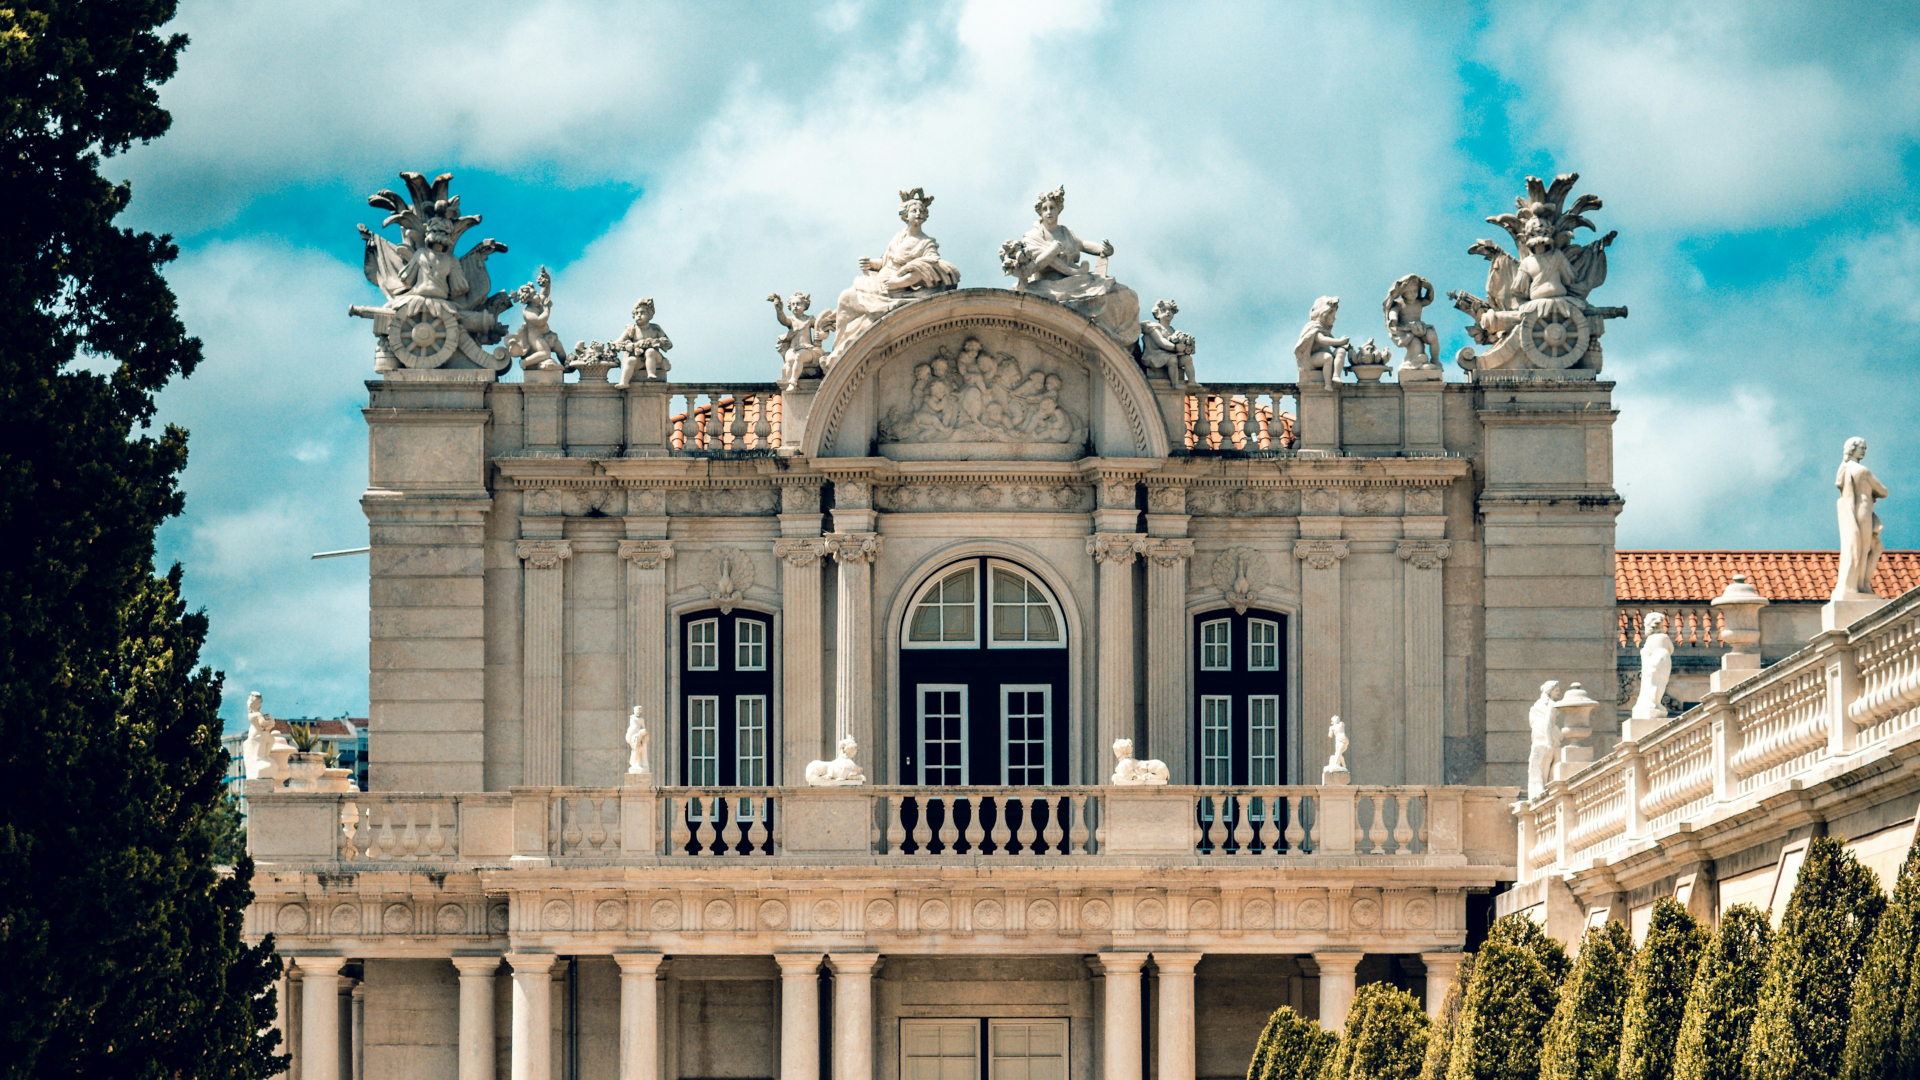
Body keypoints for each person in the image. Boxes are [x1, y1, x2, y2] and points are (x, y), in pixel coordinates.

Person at [829, 188, 960, 355]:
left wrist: (898, 283)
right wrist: (870, 263)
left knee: (847, 299)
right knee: (845, 298)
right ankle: (839, 350)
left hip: (896, 288)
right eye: (914, 210)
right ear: (906, 215)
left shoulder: (926, 243)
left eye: (921, 211)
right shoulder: (899, 236)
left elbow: (927, 268)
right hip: (881, 282)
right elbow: (885, 262)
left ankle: (841, 353)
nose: (918, 213)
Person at [1001, 186, 1140, 342]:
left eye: (1052, 208)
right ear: (1040, 212)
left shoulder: (1066, 232)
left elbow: (1083, 244)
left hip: (1077, 280)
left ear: (1059, 209)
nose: (1049, 212)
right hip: (1048, 285)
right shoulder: (1032, 237)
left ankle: (1119, 338)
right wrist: (1053, 250)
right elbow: (1034, 266)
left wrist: (1105, 249)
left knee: (1123, 293)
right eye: (1045, 209)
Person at [1834, 436, 1890, 600]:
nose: (1864, 451)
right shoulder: (1862, 471)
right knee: (1865, 548)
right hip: (1864, 510)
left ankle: (1860, 584)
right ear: (1853, 449)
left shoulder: (1843, 469)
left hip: (1851, 511)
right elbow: (1883, 491)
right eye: (1862, 448)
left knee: (1861, 547)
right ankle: (1862, 586)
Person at [613, 298, 672, 388]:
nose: (639, 316)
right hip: (639, 358)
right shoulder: (631, 329)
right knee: (630, 360)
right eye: (637, 313)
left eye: (642, 313)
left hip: (655, 358)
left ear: (650, 315)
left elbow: (669, 344)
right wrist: (627, 345)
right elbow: (617, 343)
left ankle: (651, 373)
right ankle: (624, 382)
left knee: (650, 352)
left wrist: (661, 342)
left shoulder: (655, 328)